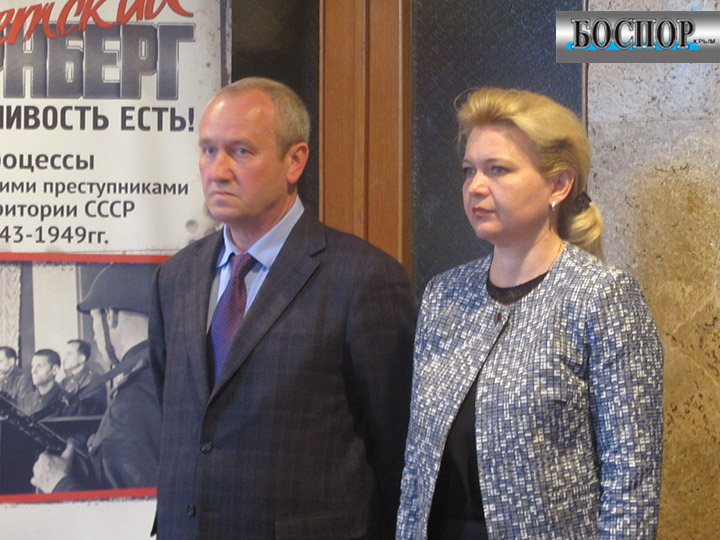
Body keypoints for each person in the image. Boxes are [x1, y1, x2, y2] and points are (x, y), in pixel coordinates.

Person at [149, 77, 416, 539]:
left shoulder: (363, 279)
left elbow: (399, 449)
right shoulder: (175, 278)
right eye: (208, 150)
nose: (217, 171)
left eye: (241, 152)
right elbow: (179, 418)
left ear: (295, 161)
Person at [396, 88, 663, 539]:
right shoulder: (444, 296)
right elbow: (416, 470)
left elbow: (631, 484)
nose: (475, 187)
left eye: (497, 170)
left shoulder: (601, 297)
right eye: (469, 171)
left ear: (558, 185)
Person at [29, 263, 161, 493]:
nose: (96, 336)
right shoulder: (164, 370)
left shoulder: (134, 397)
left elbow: (135, 510)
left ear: (110, 316)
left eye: (93, 320)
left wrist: (59, 483)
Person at [59, 339, 107, 415]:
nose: (64, 358)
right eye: (64, 354)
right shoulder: (65, 381)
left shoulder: (93, 379)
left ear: (82, 358)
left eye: (69, 354)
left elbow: (83, 411)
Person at [20, 349, 73, 416]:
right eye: (32, 366)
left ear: (54, 370)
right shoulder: (26, 400)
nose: (33, 371)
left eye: (39, 366)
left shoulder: (69, 402)